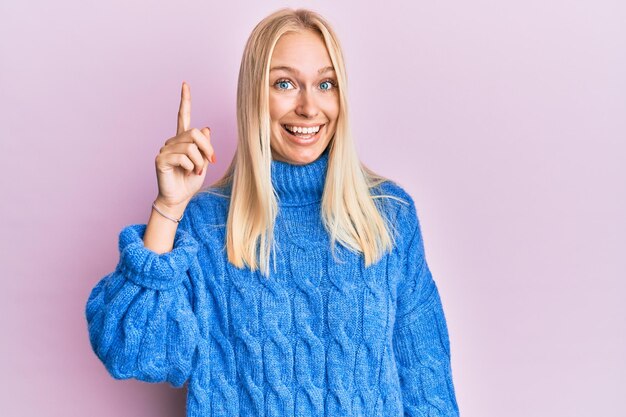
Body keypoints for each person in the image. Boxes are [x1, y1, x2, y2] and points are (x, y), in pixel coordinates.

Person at [85, 7, 460, 417]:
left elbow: (428, 389)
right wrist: (169, 207)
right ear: (253, 97)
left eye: (325, 83)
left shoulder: (389, 217)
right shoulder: (207, 225)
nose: (309, 107)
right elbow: (130, 352)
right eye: (285, 83)